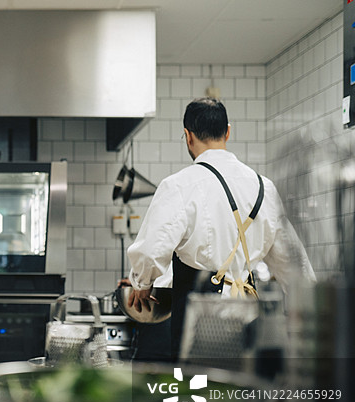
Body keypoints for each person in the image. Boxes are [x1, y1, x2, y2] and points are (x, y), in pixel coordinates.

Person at [126, 97, 315, 359]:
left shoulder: (178, 185)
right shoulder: (264, 187)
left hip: (200, 319)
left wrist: (142, 282)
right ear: (228, 131)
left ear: (187, 136)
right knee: (243, 392)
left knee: (198, 394)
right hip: (250, 318)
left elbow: (150, 252)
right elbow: (295, 268)